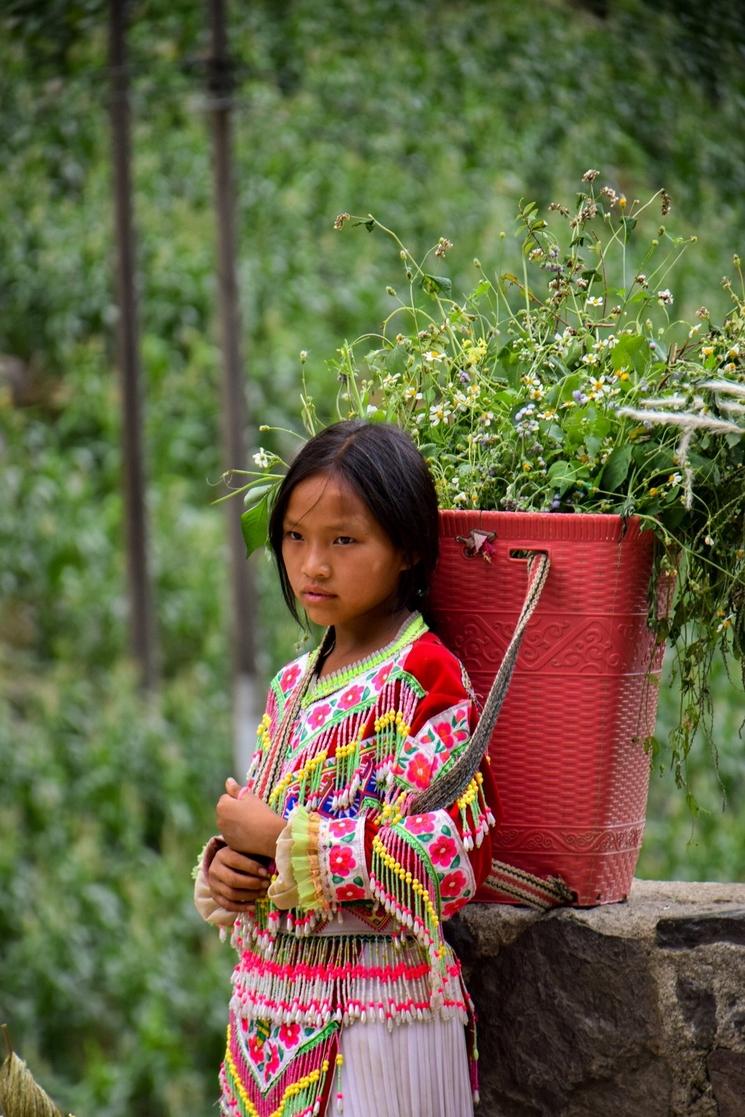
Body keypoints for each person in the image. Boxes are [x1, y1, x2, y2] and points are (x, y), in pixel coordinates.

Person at [194, 419, 497, 1117]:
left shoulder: (426, 678)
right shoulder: (289, 685)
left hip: (377, 1020)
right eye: (295, 537)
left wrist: (280, 841)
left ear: (407, 548)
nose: (312, 565)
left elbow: (451, 855)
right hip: (269, 1020)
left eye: (343, 539)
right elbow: (270, 834)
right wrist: (229, 870)